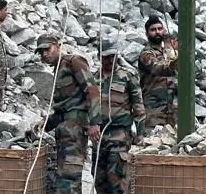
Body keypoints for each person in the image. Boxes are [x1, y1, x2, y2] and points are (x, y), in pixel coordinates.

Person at [35, 33, 93, 194]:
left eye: (47, 49)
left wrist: (95, 123)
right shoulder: (58, 69)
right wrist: (46, 123)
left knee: (70, 177)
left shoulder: (73, 62)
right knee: (64, 176)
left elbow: (93, 92)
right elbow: (63, 107)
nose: (44, 54)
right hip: (65, 129)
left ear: (58, 45)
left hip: (75, 129)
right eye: (40, 52)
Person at [89, 38, 144, 194]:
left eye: (112, 56)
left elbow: (138, 105)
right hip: (99, 137)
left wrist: (140, 134)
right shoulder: (93, 78)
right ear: (99, 56)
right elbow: (89, 105)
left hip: (120, 134)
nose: (109, 60)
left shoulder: (128, 75)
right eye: (105, 57)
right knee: (99, 178)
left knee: (117, 178)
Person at [138, 15, 178, 129]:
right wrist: (175, 62)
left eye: (160, 29)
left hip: (172, 107)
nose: (157, 32)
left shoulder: (169, 50)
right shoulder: (146, 54)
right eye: (153, 30)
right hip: (154, 109)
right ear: (147, 34)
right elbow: (159, 68)